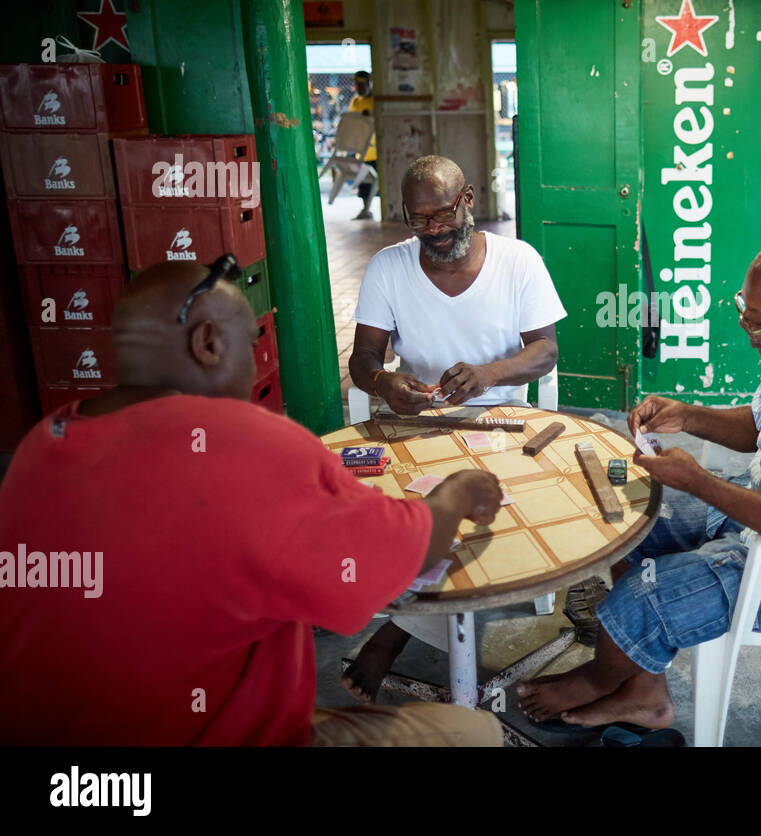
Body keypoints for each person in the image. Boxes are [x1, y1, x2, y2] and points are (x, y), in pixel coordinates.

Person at [0, 259, 504, 746]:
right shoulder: (244, 445)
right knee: (477, 732)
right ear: (209, 343)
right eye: (252, 343)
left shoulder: (43, 444)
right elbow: (415, 551)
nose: (258, 362)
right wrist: (460, 491)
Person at [515, 235, 761, 730]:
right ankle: (645, 693)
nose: (746, 328)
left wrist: (697, 480)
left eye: (757, 321)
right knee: (628, 518)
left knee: (642, 599)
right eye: (743, 309)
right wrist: (688, 416)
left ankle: (600, 681)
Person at [341, 153, 567, 702]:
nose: (436, 231)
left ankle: (395, 632)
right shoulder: (390, 267)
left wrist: (490, 373)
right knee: (407, 511)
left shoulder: (519, 261)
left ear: (469, 200)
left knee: (472, 512)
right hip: (416, 419)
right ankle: (417, 623)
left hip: (505, 419)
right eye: (421, 221)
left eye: (444, 214)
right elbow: (363, 358)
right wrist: (386, 385)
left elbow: (546, 352)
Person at [348, 70, 380, 220]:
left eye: (362, 84)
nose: (359, 88)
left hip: (377, 149)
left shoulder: (375, 100)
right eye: (357, 85)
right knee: (364, 183)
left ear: (369, 83)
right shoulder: (355, 101)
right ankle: (366, 209)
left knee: (379, 180)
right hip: (362, 149)